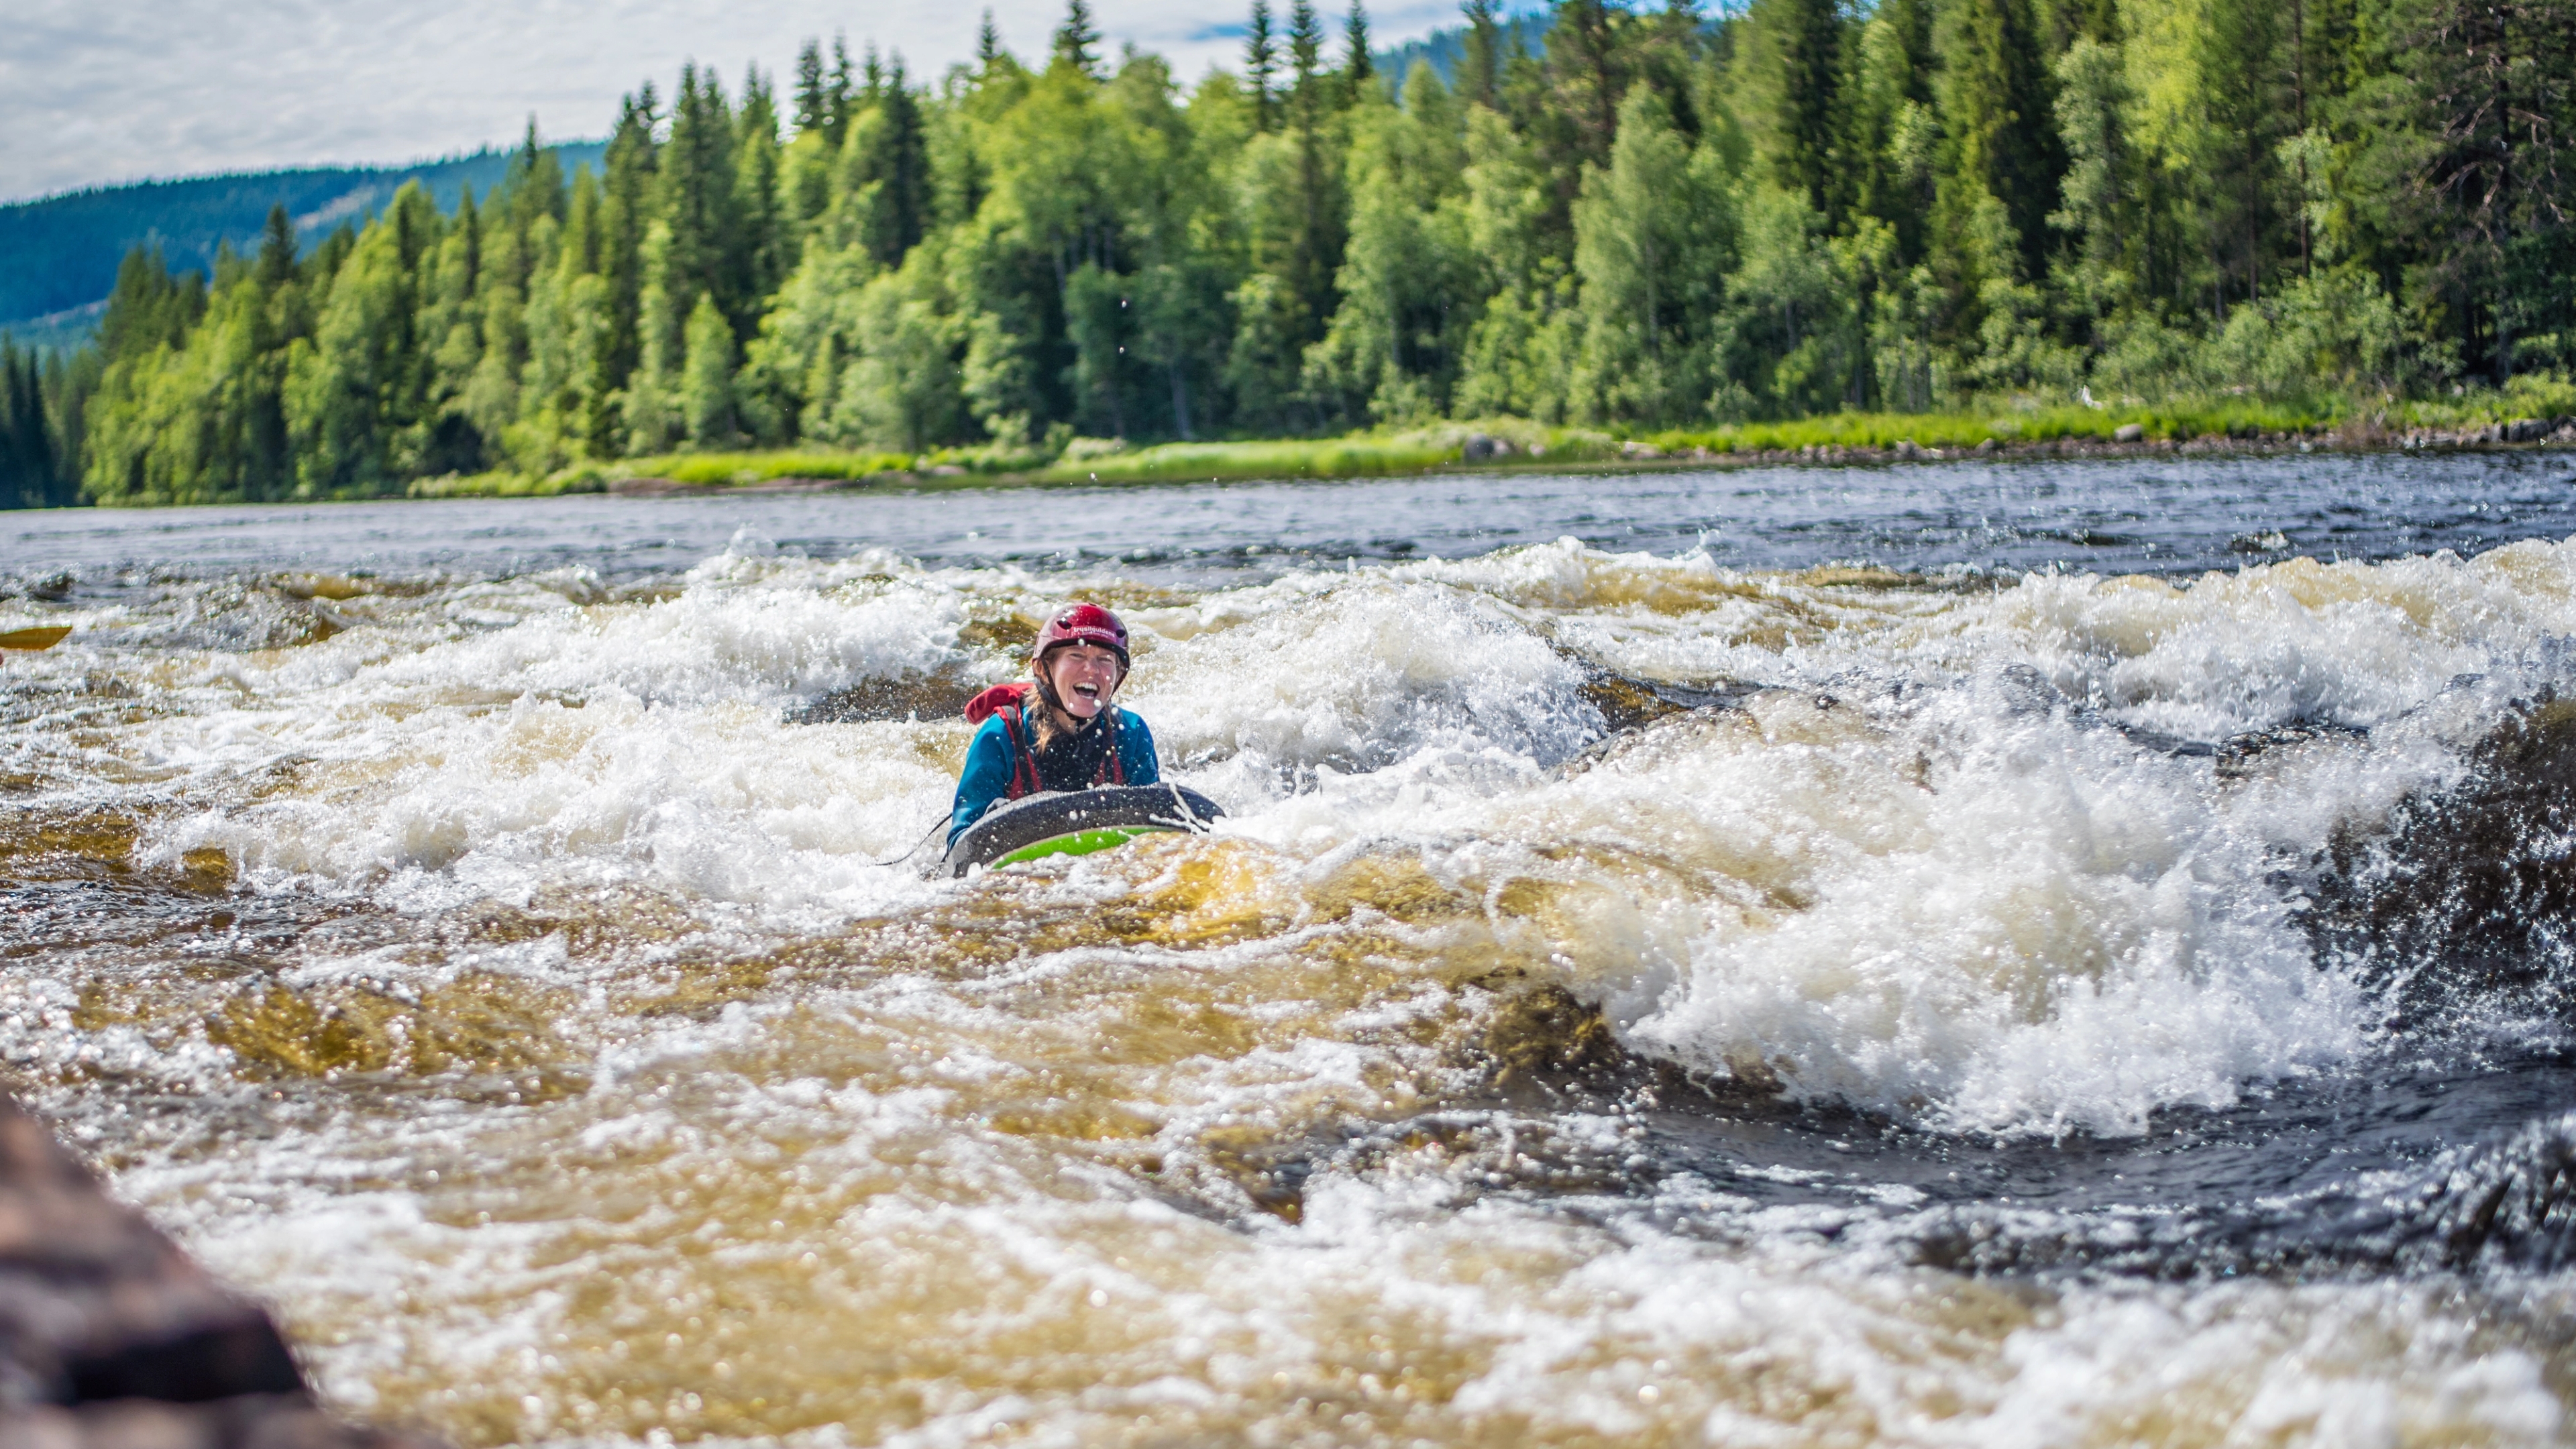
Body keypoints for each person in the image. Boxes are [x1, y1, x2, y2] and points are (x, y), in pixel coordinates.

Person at [950, 602, 1161, 845]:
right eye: (1076, 655)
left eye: (1105, 660)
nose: (1091, 670)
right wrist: (997, 828)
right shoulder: (1000, 735)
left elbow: (1154, 832)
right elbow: (959, 844)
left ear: (1118, 675)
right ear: (1043, 668)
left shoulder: (1131, 734)